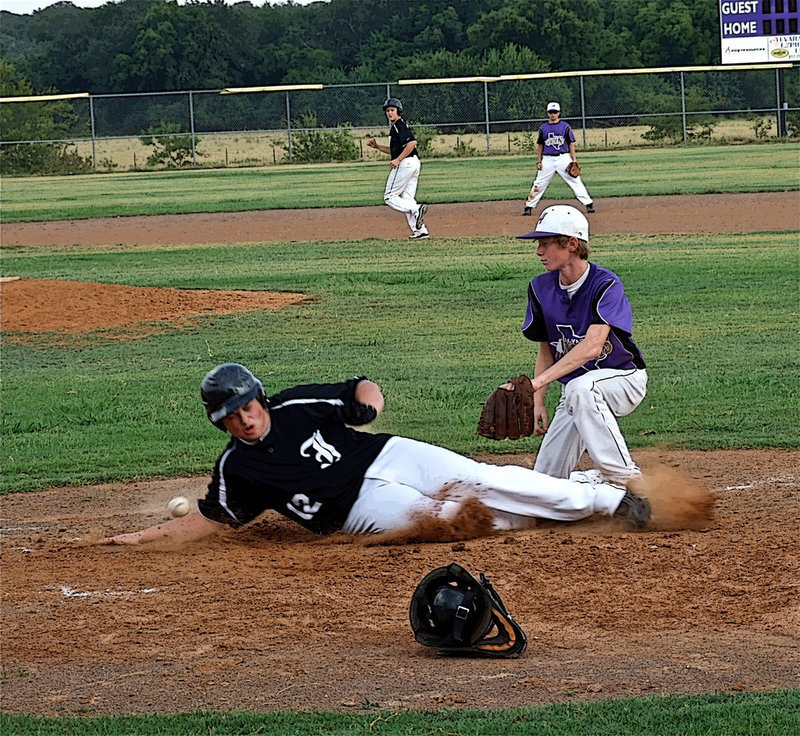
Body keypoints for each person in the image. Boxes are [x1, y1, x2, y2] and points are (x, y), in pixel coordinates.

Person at [100, 362, 651, 546]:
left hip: (386, 455)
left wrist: (367, 407)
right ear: (219, 423)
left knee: (479, 478)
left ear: (258, 398)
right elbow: (210, 518)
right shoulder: (235, 469)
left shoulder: (294, 405)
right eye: (231, 417)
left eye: (247, 407)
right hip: (356, 512)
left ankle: (608, 502)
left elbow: (361, 387)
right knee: (451, 520)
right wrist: (140, 539)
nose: (244, 420)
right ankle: (559, 513)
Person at [513, 204, 647, 485]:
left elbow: (592, 347)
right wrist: (538, 400)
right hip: (577, 393)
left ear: (572, 244)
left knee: (579, 387)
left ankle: (628, 482)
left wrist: (536, 383)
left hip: (623, 379)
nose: (539, 251)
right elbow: (546, 348)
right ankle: (593, 482)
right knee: (545, 485)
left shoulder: (605, 284)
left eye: (547, 243)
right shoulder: (540, 288)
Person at [367, 97, 429, 240]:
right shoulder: (397, 127)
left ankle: (417, 209)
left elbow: (412, 143)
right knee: (407, 199)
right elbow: (395, 151)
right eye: (387, 111)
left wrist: (398, 160)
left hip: (406, 163)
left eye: (392, 110)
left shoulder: (398, 126)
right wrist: (377, 147)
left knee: (389, 196)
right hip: (413, 163)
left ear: (398, 111)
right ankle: (420, 231)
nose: (389, 113)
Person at [522, 101, 594, 217]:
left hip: (563, 158)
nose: (553, 114)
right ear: (547, 113)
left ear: (559, 113)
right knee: (539, 183)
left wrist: (574, 160)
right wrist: (539, 161)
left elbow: (571, 143)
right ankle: (529, 206)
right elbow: (540, 145)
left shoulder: (565, 127)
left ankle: (588, 204)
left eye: (555, 112)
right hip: (548, 159)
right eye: (551, 112)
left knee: (575, 181)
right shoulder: (543, 128)